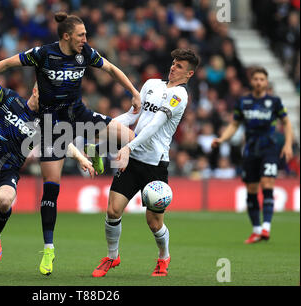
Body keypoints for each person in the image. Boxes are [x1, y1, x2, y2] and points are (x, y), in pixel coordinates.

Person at [0, 12, 137, 276]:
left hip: (78, 114)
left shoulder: (85, 53)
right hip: (53, 128)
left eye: (86, 35)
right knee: (50, 190)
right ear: (66, 36)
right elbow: (7, 64)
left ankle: (98, 149)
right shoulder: (39, 59)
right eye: (81, 35)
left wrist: (133, 92)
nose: (86, 39)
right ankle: (49, 248)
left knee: (129, 138)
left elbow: (110, 68)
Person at [0, 30, 95, 277]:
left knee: (5, 200)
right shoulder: (9, 99)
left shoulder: (45, 121)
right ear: (37, 91)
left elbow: (63, 143)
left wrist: (81, 157)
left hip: (7, 172)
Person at [91, 49, 199, 278]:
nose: (173, 67)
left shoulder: (179, 95)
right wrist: (100, 128)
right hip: (133, 158)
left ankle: (163, 257)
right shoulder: (151, 84)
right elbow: (132, 116)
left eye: (179, 66)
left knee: (153, 222)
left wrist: (127, 147)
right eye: (173, 63)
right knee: (112, 210)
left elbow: (155, 126)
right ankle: (112, 256)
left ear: (189, 73)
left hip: (155, 164)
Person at [211, 67, 293, 244]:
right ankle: (256, 230)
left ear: (266, 81)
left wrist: (287, 144)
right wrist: (222, 138)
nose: (258, 82)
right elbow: (234, 124)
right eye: (256, 79)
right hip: (250, 150)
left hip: (269, 148)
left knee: (267, 182)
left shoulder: (274, 102)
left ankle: (266, 227)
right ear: (252, 81)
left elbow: (286, 123)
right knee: (252, 190)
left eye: (262, 79)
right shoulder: (243, 102)